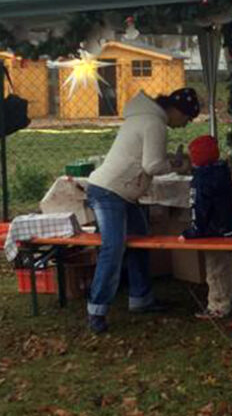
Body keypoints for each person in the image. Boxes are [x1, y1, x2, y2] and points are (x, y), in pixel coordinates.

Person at [85, 87, 200, 334]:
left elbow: (145, 158)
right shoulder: (155, 123)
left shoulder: (144, 116)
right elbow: (152, 165)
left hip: (119, 191)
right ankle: (97, 309)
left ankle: (141, 298)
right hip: (110, 192)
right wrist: (177, 165)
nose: (185, 124)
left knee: (141, 241)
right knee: (113, 247)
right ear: (177, 110)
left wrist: (170, 159)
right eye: (187, 118)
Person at [180, 135, 232, 320]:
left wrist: (193, 232)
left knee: (216, 270)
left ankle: (218, 306)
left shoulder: (202, 181)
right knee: (224, 267)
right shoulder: (222, 172)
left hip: (215, 232)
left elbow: (200, 210)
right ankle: (223, 301)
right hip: (228, 229)